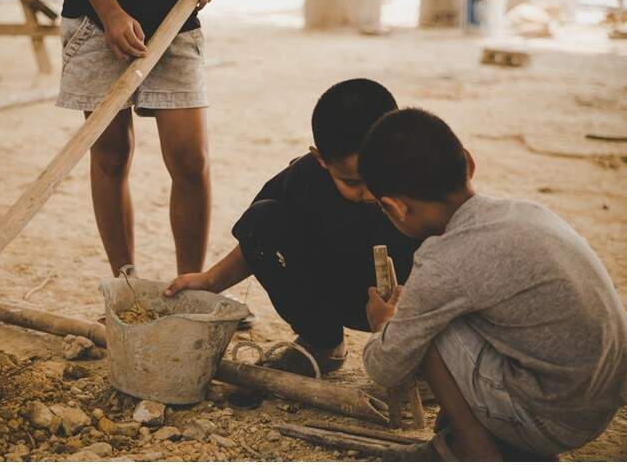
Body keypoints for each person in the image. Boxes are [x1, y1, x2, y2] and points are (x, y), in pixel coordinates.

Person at [358, 108, 627, 460]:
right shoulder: (525, 211)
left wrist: (384, 325)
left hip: (551, 421)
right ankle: (477, 436)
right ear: (468, 162)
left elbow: (384, 367)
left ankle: (477, 449)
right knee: (446, 311)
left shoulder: (443, 261)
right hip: (597, 404)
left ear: (396, 207)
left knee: (428, 329)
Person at [166, 79, 419, 375]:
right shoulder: (304, 177)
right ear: (321, 159)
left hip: (413, 305)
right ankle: (321, 344)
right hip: (347, 295)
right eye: (352, 183)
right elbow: (257, 234)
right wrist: (211, 281)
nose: (370, 193)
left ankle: (424, 358)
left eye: (378, 177)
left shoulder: (422, 179)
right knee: (261, 218)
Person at [58, 0, 218, 276]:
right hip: (95, 17)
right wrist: (110, 12)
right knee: (111, 157)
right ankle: (125, 285)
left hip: (175, 13)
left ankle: (190, 286)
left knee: (191, 160)